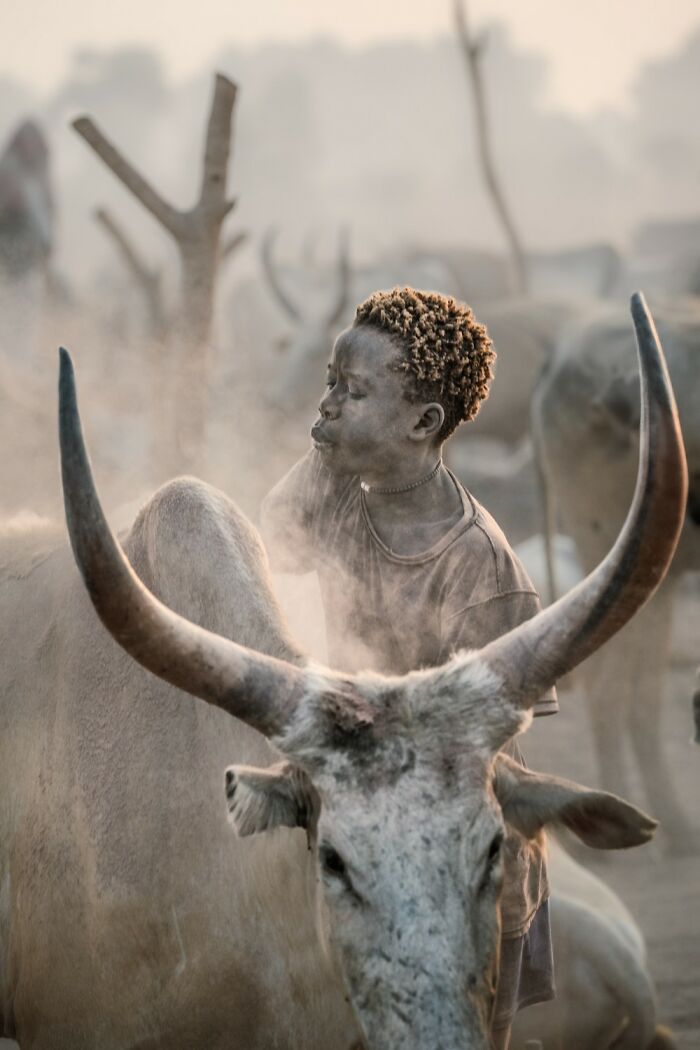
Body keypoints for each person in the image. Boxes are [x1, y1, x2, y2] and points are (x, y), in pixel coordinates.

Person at [261, 286, 556, 1047]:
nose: (326, 403)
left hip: (462, 854)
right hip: (369, 820)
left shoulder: (484, 570)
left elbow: (497, 743)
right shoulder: (336, 489)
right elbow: (272, 532)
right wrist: (335, 435)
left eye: (353, 391)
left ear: (424, 423)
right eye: (329, 380)